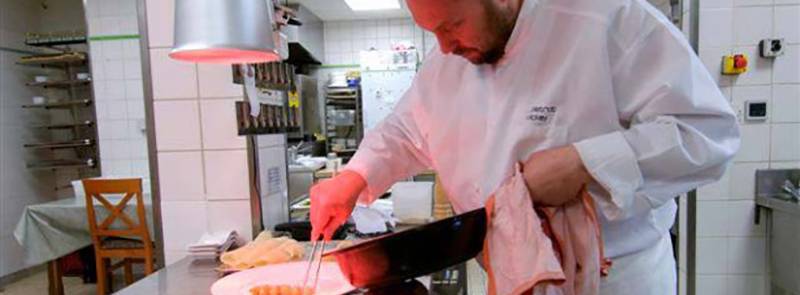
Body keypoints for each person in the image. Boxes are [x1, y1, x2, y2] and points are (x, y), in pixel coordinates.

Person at [310, 0, 740, 294]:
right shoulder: (445, 63)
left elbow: (705, 134)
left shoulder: (606, 18)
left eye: (452, 25)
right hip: (514, 275)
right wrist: (353, 177)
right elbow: (406, 131)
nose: (443, 47)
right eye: (431, 30)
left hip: (614, 281)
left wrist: (584, 163)